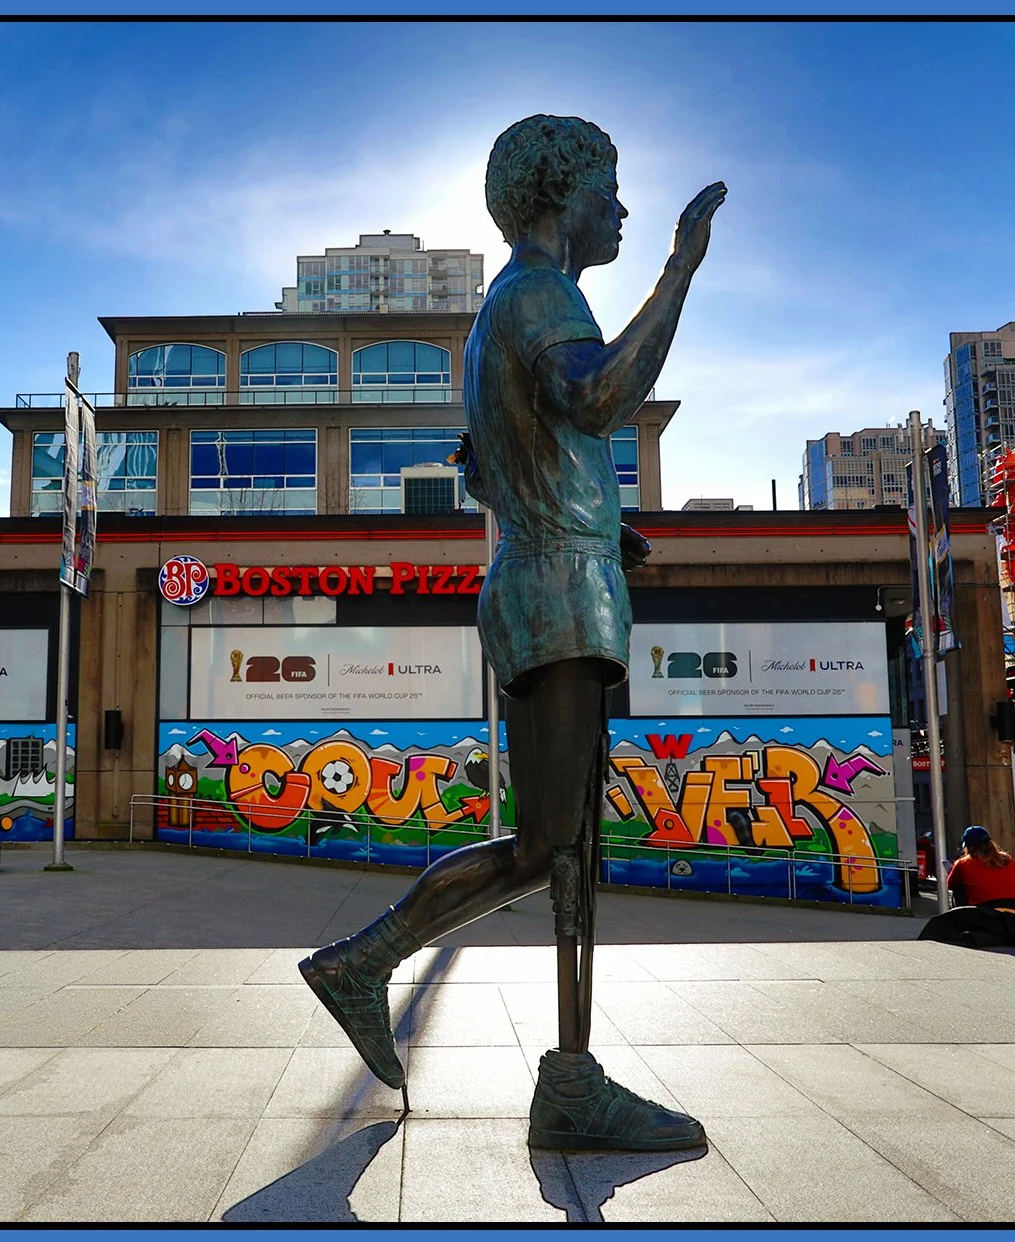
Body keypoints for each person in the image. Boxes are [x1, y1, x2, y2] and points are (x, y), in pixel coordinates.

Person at [300, 114, 726, 1152]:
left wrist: (595, 523)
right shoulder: (538, 294)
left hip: (554, 580)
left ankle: (558, 1067)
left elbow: (498, 463)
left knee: (561, 847)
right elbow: (597, 394)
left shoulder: (506, 312)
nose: (621, 207)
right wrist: (680, 270)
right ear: (555, 193)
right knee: (556, 847)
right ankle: (393, 978)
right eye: (608, 186)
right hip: (553, 595)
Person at [946, 825, 1015, 912]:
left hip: (986, 912)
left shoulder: (962, 863)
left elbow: (950, 885)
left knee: (958, 889)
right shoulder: (1007, 859)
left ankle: (962, 922)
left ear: (969, 847)